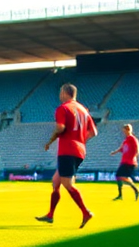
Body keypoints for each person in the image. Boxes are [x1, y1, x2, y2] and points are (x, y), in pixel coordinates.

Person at [35, 83, 96, 227]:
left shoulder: (63, 108)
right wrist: (79, 140)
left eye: (60, 92)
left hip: (67, 150)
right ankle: (50, 215)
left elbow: (60, 128)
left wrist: (50, 140)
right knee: (56, 182)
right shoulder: (83, 110)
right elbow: (93, 132)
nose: (59, 95)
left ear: (64, 93)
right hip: (80, 150)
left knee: (67, 184)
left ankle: (86, 212)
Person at [111, 123, 139, 201]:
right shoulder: (126, 140)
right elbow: (122, 148)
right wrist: (115, 152)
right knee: (119, 177)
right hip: (124, 161)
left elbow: (137, 149)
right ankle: (121, 195)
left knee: (120, 176)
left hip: (129, 162)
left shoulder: (132, 139)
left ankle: (135, 190)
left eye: (124, 130)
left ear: (128, 130)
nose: (123, 132)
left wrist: (135, 158)